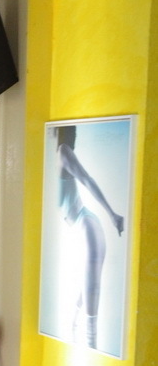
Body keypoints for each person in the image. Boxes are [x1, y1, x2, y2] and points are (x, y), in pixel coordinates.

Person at [55, 124, 125, 350]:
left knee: (91, 302)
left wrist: (112, 214)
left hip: (87, 226)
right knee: (85, 290)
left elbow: (86, 179)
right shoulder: (50, 157)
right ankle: (75, 334)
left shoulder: (63, 151)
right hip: (79, 229)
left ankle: (90, 347)